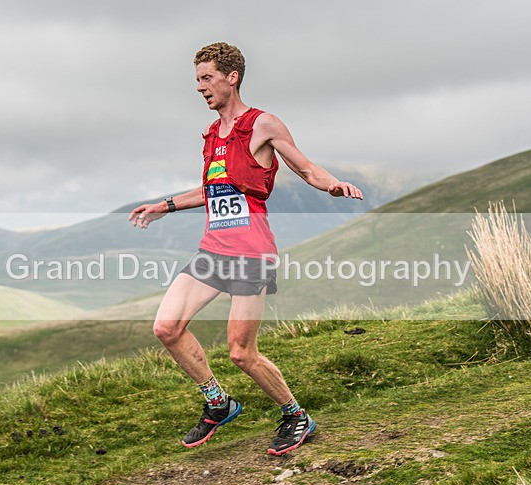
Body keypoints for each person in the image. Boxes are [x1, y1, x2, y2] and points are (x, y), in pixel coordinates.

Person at [129, 42, 363, 456]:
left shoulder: (263, 124)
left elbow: (305, 168)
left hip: (251, 252)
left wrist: (332, 185)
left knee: (241, 352)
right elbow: (212, 189)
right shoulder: (211, 135)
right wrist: (164, 206)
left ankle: (296, 416)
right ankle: (218, 402)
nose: (200, 87)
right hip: (213, 249)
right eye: (197, 80)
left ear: (231, 77)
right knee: (166, 328)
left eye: (207, 78)